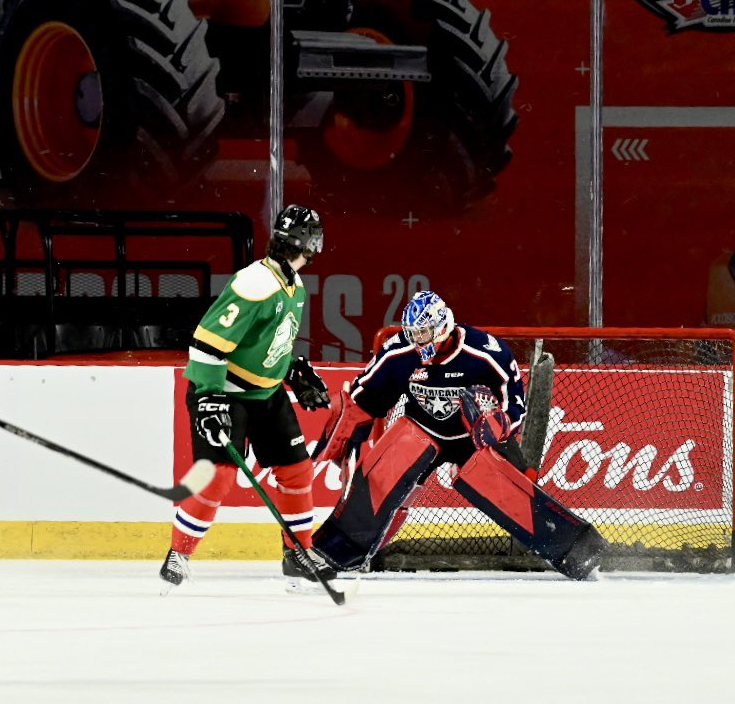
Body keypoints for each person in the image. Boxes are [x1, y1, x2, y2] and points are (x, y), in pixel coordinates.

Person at [305, 290, 604, 580]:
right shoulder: (399, 352)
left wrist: (498, 425)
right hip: (422, 431)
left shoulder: (486, 352)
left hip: (474, 439)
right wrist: (348, 431)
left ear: (441, 326)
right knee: (381, 478)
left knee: (514, 489)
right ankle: (335, 551)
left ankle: (576, 550)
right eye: (412, 333)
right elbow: (364, 397)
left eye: (423, 332)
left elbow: (514, 403)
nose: (417, 339)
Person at [159, 203, 333, 592]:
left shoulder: (293, 284)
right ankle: (179, 554)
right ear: (310, 244)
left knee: (297, 470)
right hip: (224, 393)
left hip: (265, 393)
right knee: (219, 477)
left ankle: (299, 553)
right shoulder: (256, 284)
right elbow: (206, 343)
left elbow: (265, 343)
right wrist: (208, 397)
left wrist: (291, 371)